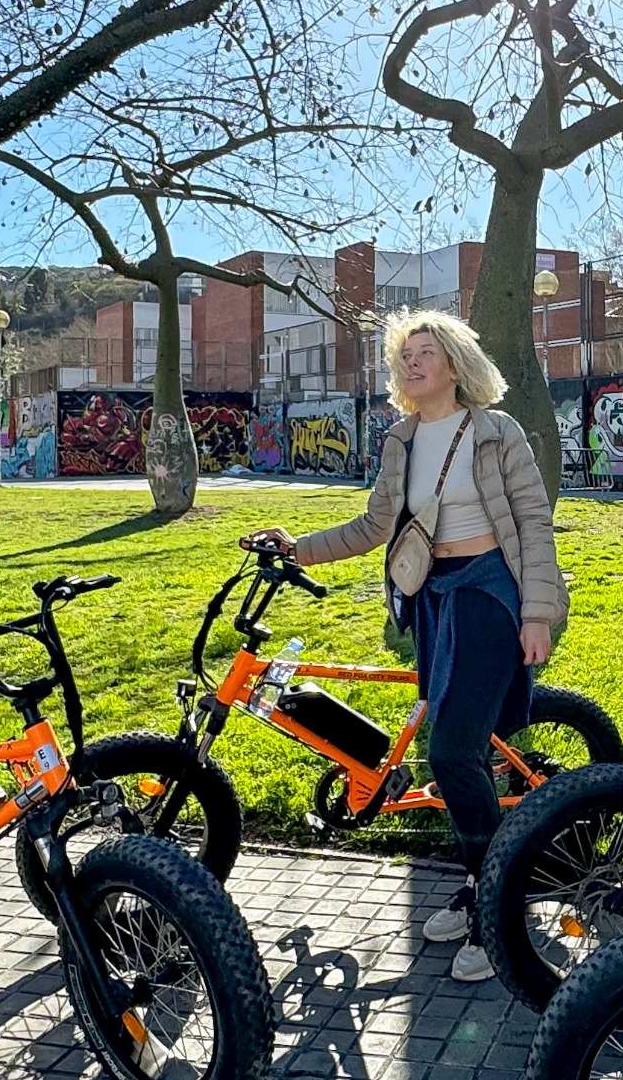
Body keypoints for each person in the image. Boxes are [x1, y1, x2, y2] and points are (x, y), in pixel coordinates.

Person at [241, 309, 568, 983]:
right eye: (404, 356)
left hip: (489, 591)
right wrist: (299, 547)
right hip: (433, 598)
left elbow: (534, 522)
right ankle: (478, 876)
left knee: (450, 750)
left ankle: (494, 901)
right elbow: (373, 524)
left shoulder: (495, 431)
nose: (411, 364)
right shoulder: (400, 438)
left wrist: (537, 611)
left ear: (454, 364)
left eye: (425, 353)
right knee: (455, 752)